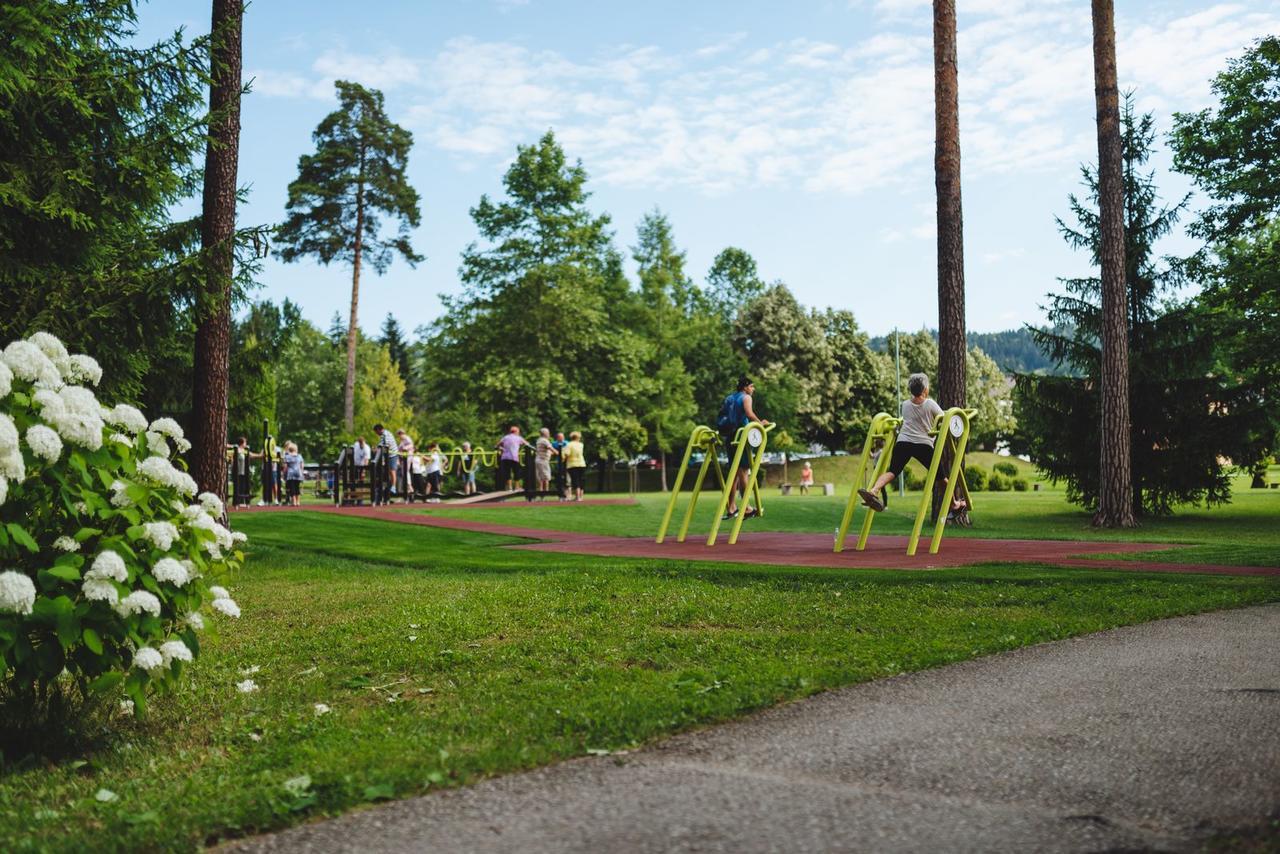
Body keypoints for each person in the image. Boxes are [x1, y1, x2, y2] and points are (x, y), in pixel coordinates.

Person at [859, 372, 965, 515]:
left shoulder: (905, 405)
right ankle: (954, 504)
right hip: (923, 444)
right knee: (941, 477)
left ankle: (874, 490)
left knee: (892, 471)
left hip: (903, 442)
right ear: (925, 390)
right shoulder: (930, 404)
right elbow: (944, 418)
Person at [717, 376, 769, 520]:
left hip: (730, 436)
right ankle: (746, 507)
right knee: (744, 472)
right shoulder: (746, 397)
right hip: (742, 435)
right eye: (752, 386)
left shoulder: (729, 398)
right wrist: (760, 424)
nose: (753, 389)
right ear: (745, 387)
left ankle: (731, 507)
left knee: (734, 473)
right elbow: (749, 413)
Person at [495, 426, 530, 491]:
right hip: (514, 457)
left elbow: (496, 445)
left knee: (507, 472)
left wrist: (502, 448)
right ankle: (516, 487)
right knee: (516, 472)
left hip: (505, 457)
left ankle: (509, 487)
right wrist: (520, 446)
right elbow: (527, 444)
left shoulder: (505, 437)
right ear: (516, 432)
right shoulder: (518, 438)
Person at [373, 424, 398, 497]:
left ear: (378, 429)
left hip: (392, 455)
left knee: (392, 471)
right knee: (386, 472)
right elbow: (381, 445)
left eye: (376, 432)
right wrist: (376, 449)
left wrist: (377, 450)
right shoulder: (382, 435)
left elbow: (387, 446)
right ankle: (385, 487)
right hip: (387, 455)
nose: (376, 434)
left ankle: (393, 487)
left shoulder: (386, 434)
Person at [563, 430, 587, 501]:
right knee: (581, 480)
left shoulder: (569, 445)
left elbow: (567, 454)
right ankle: (581, 497)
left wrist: (564, 460)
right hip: (582, 464)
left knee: (575, 480)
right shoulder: (581, 445)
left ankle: (577, 497)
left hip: (572, 464)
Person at [534, 428, 557, 498]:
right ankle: (546, 492)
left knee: (541, 477)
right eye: (548, 433)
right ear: (545, 434)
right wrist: (557, 452)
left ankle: (542, 493)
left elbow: (545, 450)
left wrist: (551, 453)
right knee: (546, 477)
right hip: (543, 460)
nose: (549, 434)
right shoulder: (544, 440)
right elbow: (550, 448)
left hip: (539, 459)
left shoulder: (539, 440)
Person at [282, 442, 304, 507]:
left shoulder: (287, 457)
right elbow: (302, 465)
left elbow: (285, 467)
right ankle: (298, 501)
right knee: (297, 487)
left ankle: (294, 501)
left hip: (291, 474)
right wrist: (301, 472)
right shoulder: (299, 456)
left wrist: (284, 473)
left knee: (292, 487)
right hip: (298, 473)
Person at [231, 437, 251, 507]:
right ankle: (236, 502)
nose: (246, 444)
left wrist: (261, 455)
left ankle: (242, 501)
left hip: (243, 472)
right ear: (242, 443)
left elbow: (251, 455)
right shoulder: (237, 449)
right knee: (238, 487)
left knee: (243, 487)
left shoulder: (245, 450)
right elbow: (232, 459)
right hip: (238, 472)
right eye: (245, 442)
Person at [552, 431, 568, 500]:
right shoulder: (554, 444)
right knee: (558, 479)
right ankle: (560, 493)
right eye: (560, 437)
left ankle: (566, 494)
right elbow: (551, 451)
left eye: (562, 437)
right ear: (557, 438)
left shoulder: (567, 443)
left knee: (566, 479)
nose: (561, 438)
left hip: (566, 463)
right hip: (558, 464)